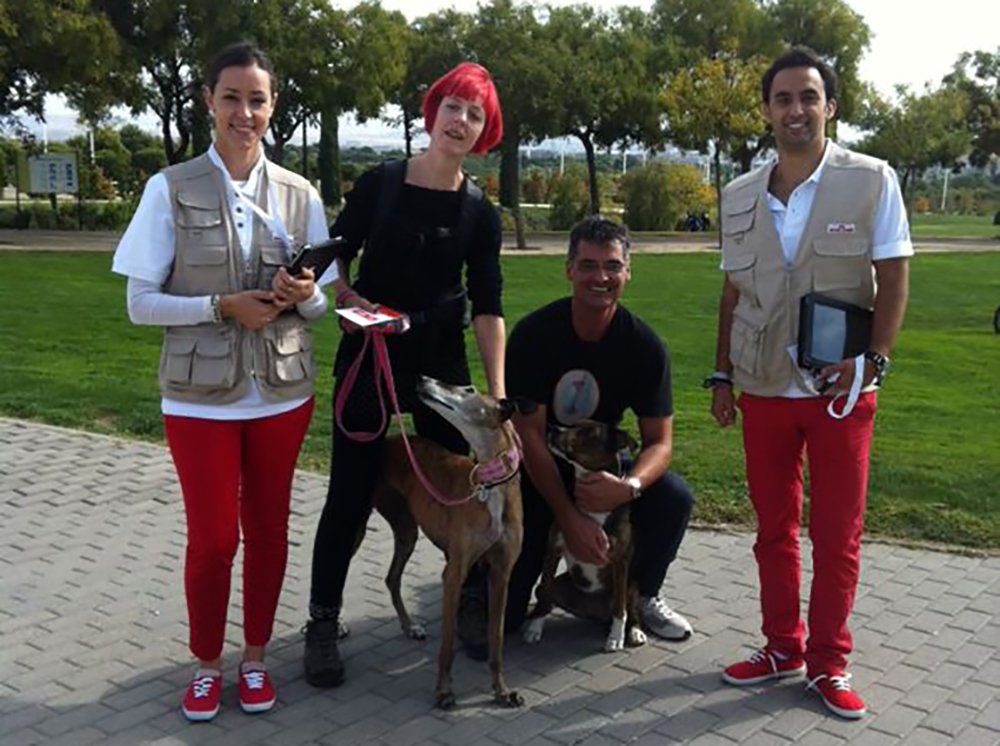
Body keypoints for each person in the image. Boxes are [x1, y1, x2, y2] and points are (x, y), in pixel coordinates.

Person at [112, 42, 331, 721]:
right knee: (214, 538)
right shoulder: (169, 188)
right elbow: (139, 303)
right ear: (208, 101)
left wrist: (300, 293)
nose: (245, 111)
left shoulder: (300, 195)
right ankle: (208, 665)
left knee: (269, 533)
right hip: (199, 399)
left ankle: (256, 659)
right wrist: (220, 306)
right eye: (231, 97)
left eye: (257, 99)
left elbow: (325, 301)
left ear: (273, 108)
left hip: (282, 392)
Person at [708, 47, 911, 719]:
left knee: (837, 534)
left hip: (841, 393)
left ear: (831, 105)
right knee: (772, 529)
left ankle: (828, 662)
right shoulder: (738, 193)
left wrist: (874, 360)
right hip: (762, 387)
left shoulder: (874, 180)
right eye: (784, 98)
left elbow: (895, 277)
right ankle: (781, 646)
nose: (797, 109)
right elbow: (733, 294)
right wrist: (721, 374)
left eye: (809, 97)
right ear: (767, 110)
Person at [303, 62, 506, 687]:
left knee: (461, 489)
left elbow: (489, 303)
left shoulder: (479, 211)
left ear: (483, 132)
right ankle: (322, 621)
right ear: (433, 111)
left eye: (475, 114)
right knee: (349, 493)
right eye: (454, 107)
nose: (461, 121)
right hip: (370, 356)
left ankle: (469, 604)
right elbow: (333, 253)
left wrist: (497, 394)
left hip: (439, 362)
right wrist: (344, 301)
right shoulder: (382, 185)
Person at [500, 215, 695, 641]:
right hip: (541, 468)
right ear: (569, 270)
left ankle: (640, 595)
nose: (600, 277)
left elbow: (660, 442)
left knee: (674, 496)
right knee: (500, 625)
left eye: (611, 266)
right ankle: (490, 588)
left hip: (601, 465)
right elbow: (529, 435)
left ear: (628, 272)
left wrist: (629, 487)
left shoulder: (644, 346)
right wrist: (569, 517)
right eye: (588, 265)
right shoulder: (533, 335)